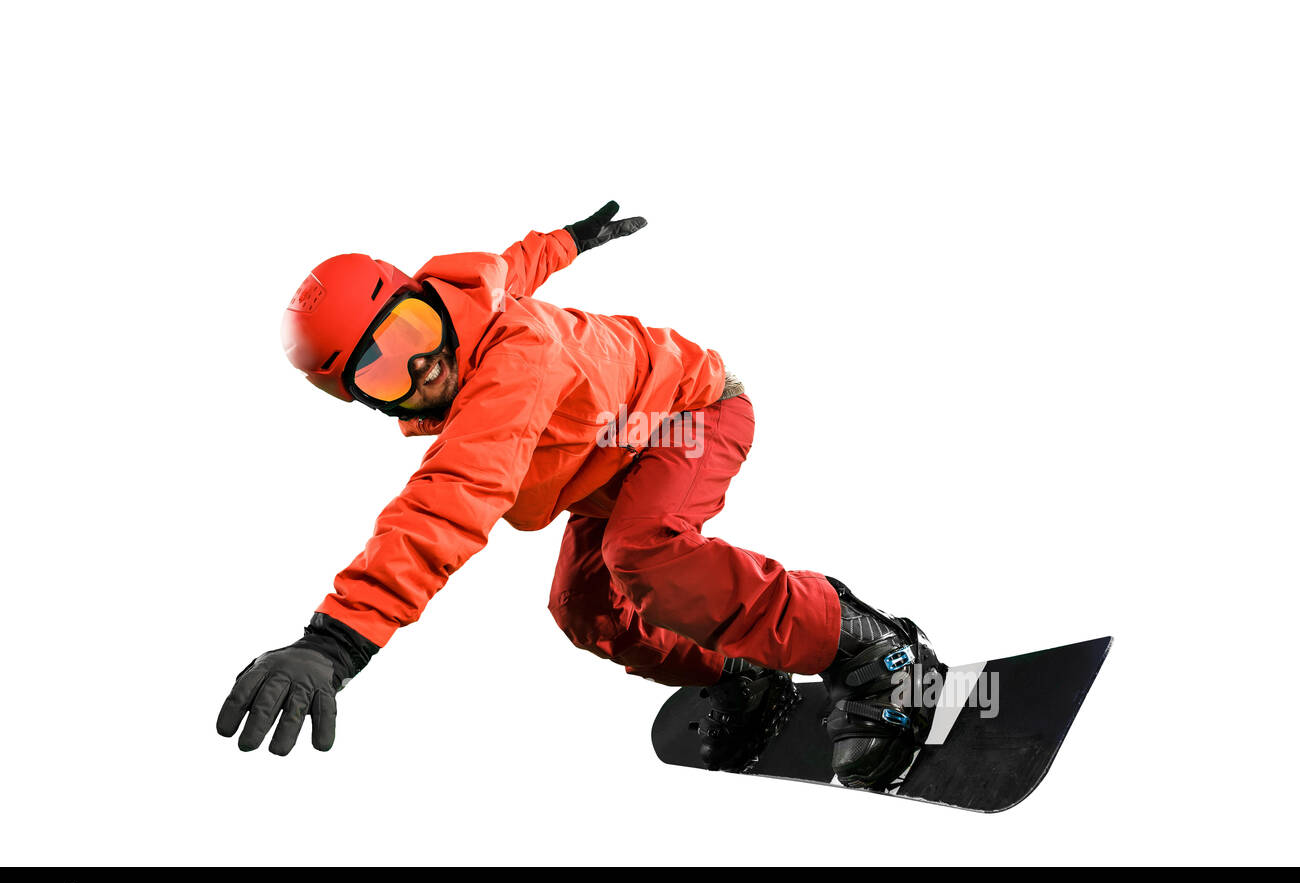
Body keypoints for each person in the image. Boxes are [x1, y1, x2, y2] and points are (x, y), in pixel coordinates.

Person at [216, 202, 943, 788]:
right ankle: (741, 672)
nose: (426, 364)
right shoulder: (473, 303)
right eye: (385, 372)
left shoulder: (514, 361)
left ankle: (874, 652)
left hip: (688, 415)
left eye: (411, 329)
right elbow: (511, 266)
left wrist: (337, 640)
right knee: (584, 609)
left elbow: (453, 496)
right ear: (365, 400)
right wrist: (566, 239)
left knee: (646, 558)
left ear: (421, 296)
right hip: (609, 458)